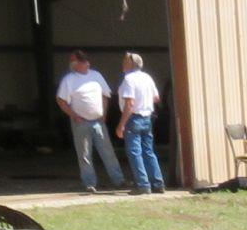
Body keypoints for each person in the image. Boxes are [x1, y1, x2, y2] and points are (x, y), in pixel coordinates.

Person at [55, 50, 124, 192]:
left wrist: (104, 113)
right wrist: (73, 115)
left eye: (86, 61)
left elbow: (105, 95)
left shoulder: (96, 76)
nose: (87, 64)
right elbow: (61, 100)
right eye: (82, 62)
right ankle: (89, 183)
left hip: (98, 121)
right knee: (85, 154)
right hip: (81, 121)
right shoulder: (69, 80)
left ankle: (119, 180)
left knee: (108, 152)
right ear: (77, 65)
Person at [115, 51, 165, 194]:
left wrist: (121, 124)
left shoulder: (129, 79)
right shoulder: (147, 78)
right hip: (147, 117)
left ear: (130, 64)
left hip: (134, 118)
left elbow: (129, 103)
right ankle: (158, 183)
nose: (123, 64)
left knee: (135, 152)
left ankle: (143, 185)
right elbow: (156, 98)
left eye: (125, 61)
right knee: (149, 151)